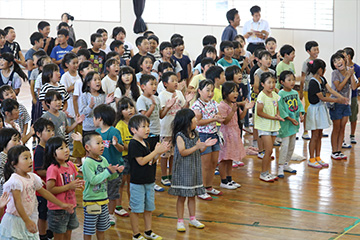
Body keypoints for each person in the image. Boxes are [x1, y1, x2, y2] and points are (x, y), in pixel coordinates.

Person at [0, 145, 74, 239]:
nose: (30, 161)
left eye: (30, 157)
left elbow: (44, 192)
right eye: (25, 158)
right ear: (14, 164)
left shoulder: (33, 177)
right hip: (16, 221)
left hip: (29, 217)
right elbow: (17, 202)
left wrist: (61, 204)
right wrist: (27, 221)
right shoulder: (15, 180)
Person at [168, 109, 216, 232]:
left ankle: (192, 218)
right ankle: (180, 221)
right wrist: (197, 146)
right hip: (183, 170)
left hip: (194, 168)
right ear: (186, 121)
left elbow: (199, 150)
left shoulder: (196, 133)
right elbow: (183, 152)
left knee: (192, 196)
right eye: (193, 118)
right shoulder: (180, 135)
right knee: (182, 197)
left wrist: (204, 145)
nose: (196, 120)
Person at [128, 114, 170, 240]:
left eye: (148, 126)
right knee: (136, 209)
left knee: (149, 208)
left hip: (149, 181)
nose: (147, 129)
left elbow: (150, 161)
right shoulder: (133, 144)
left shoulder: (145, 143)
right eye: (143, 127)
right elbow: (141, 161)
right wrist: (155, 152)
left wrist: (159, 153)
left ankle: (148, 231)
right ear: (133, 130)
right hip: (137, 182)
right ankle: (136, 234)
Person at [82, 132, 124, 240]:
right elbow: (93, 180)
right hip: (91, 201)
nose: (102, 145)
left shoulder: (103, 159)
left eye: (102, 143)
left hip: (104, 200)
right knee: (89, 229)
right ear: (88, 147)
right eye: (98, 143)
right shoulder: (87, 163)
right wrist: (108, 171)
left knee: (102, 228)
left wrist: (115, 172)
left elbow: (108, 178)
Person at [306, 59, 347, 168]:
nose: (324, 70)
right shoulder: (313, 82)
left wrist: (341, 97)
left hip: (321, 109)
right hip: (314, 110)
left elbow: (330, 90)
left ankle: (318, 157)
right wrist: (337, 100)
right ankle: (311, 158)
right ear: (320, 69)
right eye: (324, 69)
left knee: (319, 134)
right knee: (314, 135)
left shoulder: (322, 79)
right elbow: (322, 98)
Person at [191, 80, 225, 200]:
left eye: (212, 90)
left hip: (214, 134)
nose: (210, 93)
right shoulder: (196, 105)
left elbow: (218, 115)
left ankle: (209, 186)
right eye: (207, 90)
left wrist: (219, 118)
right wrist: (213, 119)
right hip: (203, 135)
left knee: (213, 163)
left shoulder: (214, 103)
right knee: (204, 165)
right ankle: (201, 188)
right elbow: (198, 122)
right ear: (199, 91)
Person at [44, 136, 82, 239]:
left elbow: (73, 180)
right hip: (57, 208)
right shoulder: (53, 169)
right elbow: (50, 189)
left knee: (68, 233)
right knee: (59, 235)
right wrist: (69, 186)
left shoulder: (70, 164)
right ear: (52, 153)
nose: (66, 150)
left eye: (66, 147)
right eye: (61, 148)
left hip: (71, 205)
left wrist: (77, 184)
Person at [158, 72, 192, 186]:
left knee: (173, 154)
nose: (176, 83)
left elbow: (182, 110)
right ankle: (164, 176)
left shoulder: (179, 93)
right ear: (165, 84)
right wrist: (168, 106)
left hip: (177, 129)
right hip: (166, 129)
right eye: (172, 81)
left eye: (176, 80)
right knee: (164, 154)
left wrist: (187, 101)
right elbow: (161, 115)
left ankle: (172, 174)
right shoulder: (162, 95)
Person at [218, 82, 253, 189]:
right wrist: (233, 111)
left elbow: (240, 117)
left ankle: (229, 179)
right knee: (224, 158)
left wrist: (246, 108)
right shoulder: (222, 106)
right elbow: (225, 121)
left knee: (230, 157)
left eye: (236, 91)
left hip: (234, 132)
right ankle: (223, 180)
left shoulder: (234, 104)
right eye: (232, 91)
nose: (236, 93)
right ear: (225, 93)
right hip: (226, 134)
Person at [93, 104, 124, 225]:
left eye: (94, 117)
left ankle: (111, 215)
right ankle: (100, 213)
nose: (93, 120)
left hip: (114, 169)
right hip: (100, 170)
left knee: (112, 193)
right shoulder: (96, 132)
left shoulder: (114, 131)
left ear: (100, 118)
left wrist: (116, 144)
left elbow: (121, 149)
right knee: (99, 192)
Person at [254, 72, 284, 182]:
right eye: (269, 83)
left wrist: (278, 115)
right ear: (262, 84)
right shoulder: (261, 96)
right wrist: (273, 118)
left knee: (270, 151)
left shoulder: (275, 95)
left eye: (273, 82)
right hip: (264, 126)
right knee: (268, 150)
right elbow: (259, 112)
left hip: (273, 125)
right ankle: (263, 173)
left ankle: (267, 172)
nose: (272, 85)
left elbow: (277, 108)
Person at [329, 52, 356, 160]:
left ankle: (339, 150)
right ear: (334, 65)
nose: (338, 62)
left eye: (339, 59)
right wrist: (347, 76)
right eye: (335, 61)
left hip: (346, 104)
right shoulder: (335, 73)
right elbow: (339, 88)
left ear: (344, 60)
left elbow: (354, 87)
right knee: (336, 128)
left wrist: (351, 74)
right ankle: (334, 151)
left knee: (342, 127)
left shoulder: (349, 72)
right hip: (336, 103)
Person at [277, 71, 305, 177]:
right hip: (285, 124)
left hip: (294, 124)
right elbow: (281, 109)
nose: (292, 82)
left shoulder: (295, 93)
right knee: (285, 145)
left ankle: (286, 164)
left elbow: (299, 105)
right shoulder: (280, 94)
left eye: (293, 79)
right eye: (289, 80)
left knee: (292, 145)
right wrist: (290, 119)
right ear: (282, 82)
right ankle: (280, 167)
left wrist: (301, 114)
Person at [33, 118, 55, 240]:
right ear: (38, 134)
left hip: (49, 188)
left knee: (49, 212)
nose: (52, 133)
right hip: (41, 190)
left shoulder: (49, 148)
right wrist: (55, 173)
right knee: (42, 215)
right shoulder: (39, 151)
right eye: (48, 131)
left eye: (52, 130)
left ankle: (48, 231)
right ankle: (42, 235)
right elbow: (40, 170)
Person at [115, 97, 136, 216]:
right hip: (123, 157)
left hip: (132, 156)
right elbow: (121, 144)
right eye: (126, 108)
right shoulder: (120, 125)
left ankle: (132, 203)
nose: (129, 110)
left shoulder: (134, 123)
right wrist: (134, 146)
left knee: (131, 181)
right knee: (121, 182)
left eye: (131, 107)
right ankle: (118, 206)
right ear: (120, 111)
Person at [300, 41, 320, 140]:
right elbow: (303, 77)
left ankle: (316, 129)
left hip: (317, 90)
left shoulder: (318, 62)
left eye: (317, 49)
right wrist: (300, 91)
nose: (317, 51)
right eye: (314, 49)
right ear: (308, 51)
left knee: (317, 109)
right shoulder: (306, 63)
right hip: (308, 90)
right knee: (307, 110)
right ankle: (305, 131)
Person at [344, 47, 360, 144]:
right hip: (344, 96)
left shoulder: (357, 68)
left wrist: (354, 86)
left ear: (349, 56)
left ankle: (352, 135)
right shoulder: (342, 67)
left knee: (353, 116)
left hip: (353, 96)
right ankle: (341, 138)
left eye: (344, 55)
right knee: (343, 117)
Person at [0, 128, 21, 196]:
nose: (18, 143)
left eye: (19, 140)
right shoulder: (1, 158)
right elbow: (2, 179)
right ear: (4, 141)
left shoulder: (14, 157)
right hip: (5, 194)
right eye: (15, 140)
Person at [60, 52, 80, 122]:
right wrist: (75, 86)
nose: (76, 65)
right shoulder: (65, 76)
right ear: (67, 64)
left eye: (77, 63)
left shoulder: (79, 74)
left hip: (79, 101)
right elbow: (63, 91)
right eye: (73, 63)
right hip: (70, 102)